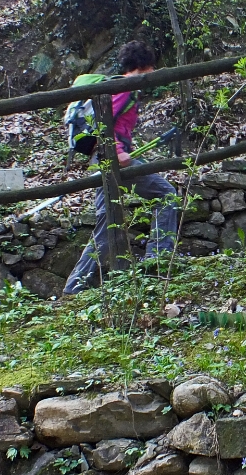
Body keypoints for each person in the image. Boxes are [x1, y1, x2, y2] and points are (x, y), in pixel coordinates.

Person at [64, 41, 178, 294]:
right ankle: (156, 262)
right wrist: (117, 150)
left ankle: (73, 287)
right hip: (111, 160)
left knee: (108, 222)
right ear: (144, 66)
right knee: (167, 194)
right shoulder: (124, 89)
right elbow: (99, 121)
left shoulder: (119, 87)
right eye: (152, 68)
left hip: (106, 159)